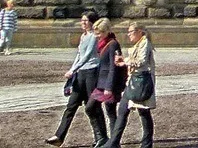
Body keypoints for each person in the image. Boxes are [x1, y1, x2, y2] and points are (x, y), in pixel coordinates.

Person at [43, 12, 100, 147]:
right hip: (81, 74)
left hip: (92, 72)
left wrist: (73, 69)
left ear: (92, 22)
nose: (83, 23)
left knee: (92, 107)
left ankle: (100, 137)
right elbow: (79, 56)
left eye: (86, 20)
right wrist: (73, 69)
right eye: (82, 20)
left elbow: (87, 56)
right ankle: (59, 136)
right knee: (71, 105)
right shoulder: (83, 36)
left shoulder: (93, 36)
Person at [104, 22, 156, 148]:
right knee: (122, 111)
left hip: (141, 83)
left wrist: (124, 62)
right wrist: (124, 60)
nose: (129, 35)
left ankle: (147, 144)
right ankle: (113, 142)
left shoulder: (145, 43)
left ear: (139, 32)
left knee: (144, 113)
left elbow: (141, 61)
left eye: (131, 32)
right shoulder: (138, 44)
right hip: (133, 82)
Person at [83, 19, 124, 148]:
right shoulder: (102, 44)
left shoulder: (113, 44)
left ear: (106, 31)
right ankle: (103, 137)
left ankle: (114, 142)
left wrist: (109, 87)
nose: (97, 36)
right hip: (100, 83)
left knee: (111, 112)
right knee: (90, 107)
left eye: (99, 33)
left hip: (108, 84)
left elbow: (114, 67)